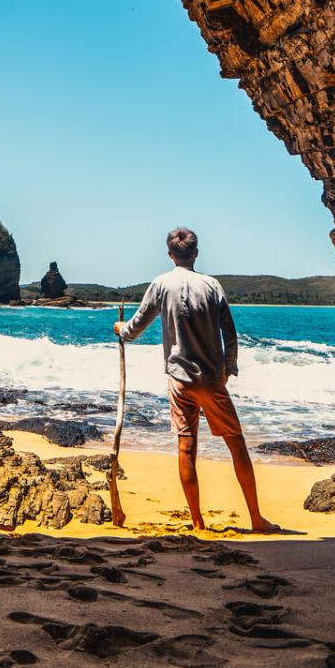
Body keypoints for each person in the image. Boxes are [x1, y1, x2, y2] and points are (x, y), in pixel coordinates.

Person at [114, 226, 279, 533]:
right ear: (196, 254)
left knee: (186, 446)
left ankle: (197, 521)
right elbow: (229, 332)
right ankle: (256, 519)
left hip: (179, 380)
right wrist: (229, 369)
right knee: (236, 444)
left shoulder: (161, 284)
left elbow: (136, 328)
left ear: (169, 254)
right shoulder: (212, 285)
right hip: (211, 378)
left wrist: (120, 329)